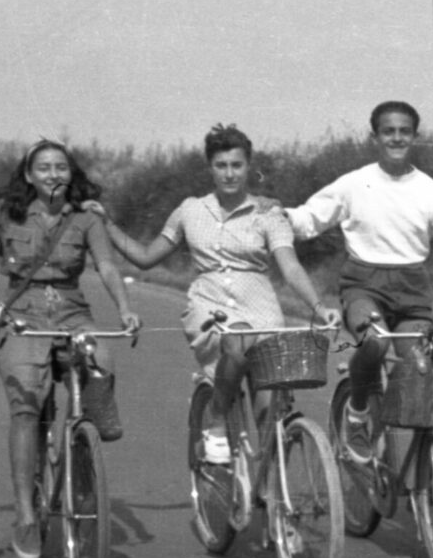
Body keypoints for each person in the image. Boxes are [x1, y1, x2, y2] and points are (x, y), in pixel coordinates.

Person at [90, 124, 341, 464]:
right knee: (235, 345)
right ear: (210, 168)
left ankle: (268, 495)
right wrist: (107, 224)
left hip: (261, 309)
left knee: (270, 410)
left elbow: (291, 267)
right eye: (221, 166)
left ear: (249, 167)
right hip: (209, 308)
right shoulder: (190, 210)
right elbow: (146, 258)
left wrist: (318, 306)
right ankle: (217, 419)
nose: (229, 174)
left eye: (236, 165)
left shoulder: (268, 213)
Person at [0, 140, 140, 558]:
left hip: (73, 311)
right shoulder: (7, 212)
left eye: (61, 167)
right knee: (26, 406)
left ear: (70, 175)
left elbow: (108, 267)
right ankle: (24, 515)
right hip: (23, 314)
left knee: (101, 358)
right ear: (28, 176)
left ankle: (90, 428)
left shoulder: (85, 218)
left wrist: (126, 309)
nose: (53, 174)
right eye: (44, 168)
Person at [282, 101, 433, 463]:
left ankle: (424, 491)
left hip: (412, 292)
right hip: (364, 286)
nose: (396, 138)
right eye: (388, 131)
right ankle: (358, 414)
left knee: (421, 372)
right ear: (375, 136)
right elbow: (309, 219)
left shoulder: (431, 192)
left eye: (404, 131)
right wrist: (277, 215)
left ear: (415, 137)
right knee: (374, 342)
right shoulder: (354, 183)